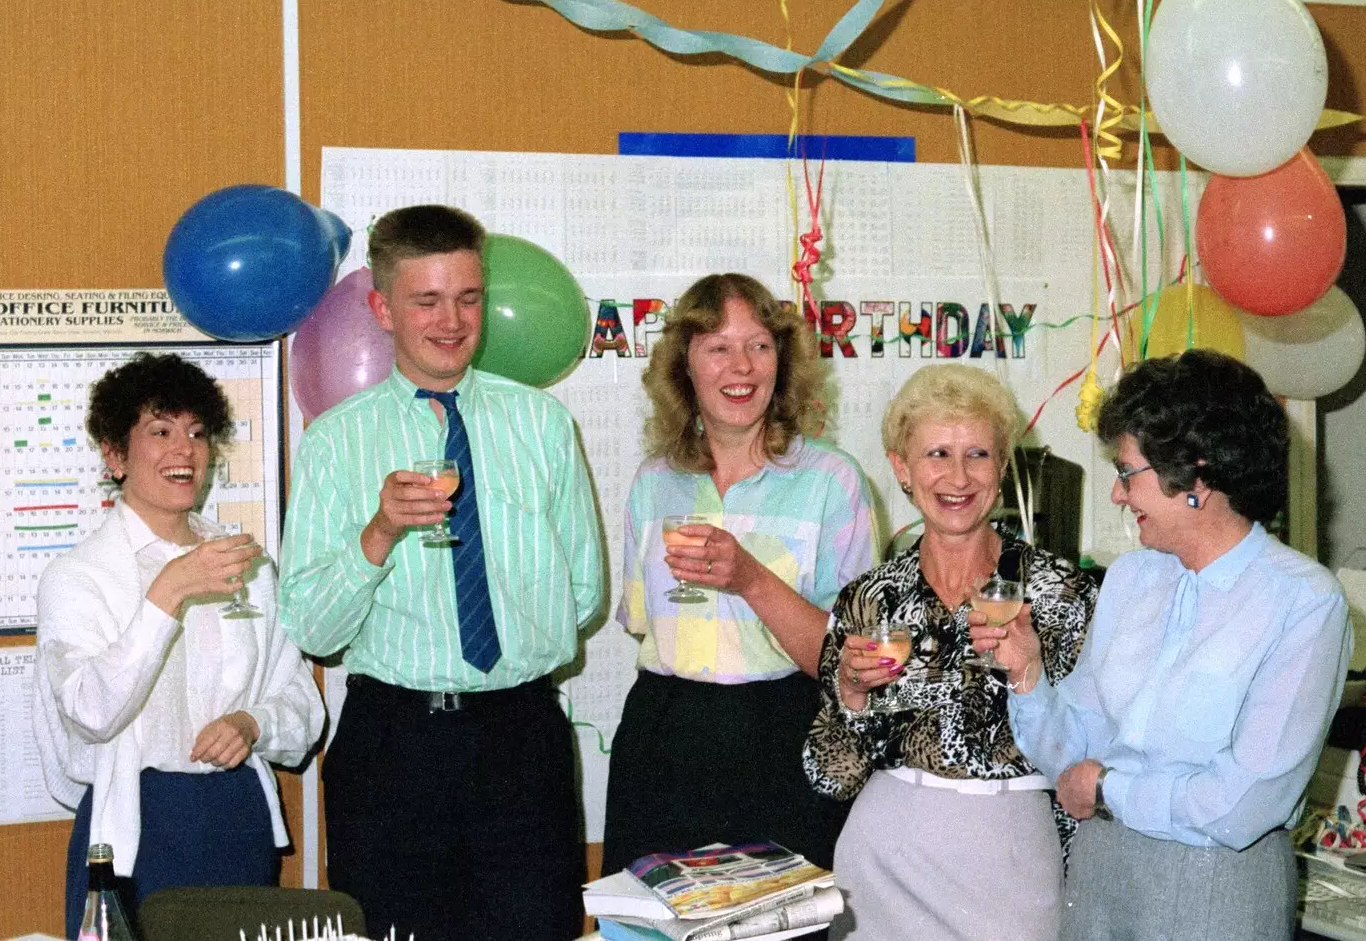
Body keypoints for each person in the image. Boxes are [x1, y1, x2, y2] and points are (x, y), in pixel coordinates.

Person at [278, 205, 603, 941]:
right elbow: (310, 628)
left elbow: (582, 594)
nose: (451, 320)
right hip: (394, 748)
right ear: (381, 309)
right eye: (426, 300)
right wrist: (380, 531)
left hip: (523, 739)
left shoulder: (543, 424)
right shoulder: (336, 442)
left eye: (468, 297)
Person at [980, 349, 1352, 941]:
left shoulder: (1304, 602)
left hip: (1219, 891)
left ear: (1194, 474)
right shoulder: (1131, 579)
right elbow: (1074, 749)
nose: (1118, 496)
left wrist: (1108, 788)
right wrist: (1028, 675)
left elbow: (1244, 804)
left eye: (1128, 473)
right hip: (1102, 880)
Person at [32, 353, 324, 938]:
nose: (184, 450)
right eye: (159, 432)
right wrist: (167, 595)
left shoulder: (244, 560)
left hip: (234, 814)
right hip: (134, 821)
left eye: (196, 433)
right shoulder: (78, 576)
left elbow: (302, 704)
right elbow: (91, 713)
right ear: (115, 456)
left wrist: (253, 723)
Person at [803, 363, 1097, 941]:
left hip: (1011, 864)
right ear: (901, 468)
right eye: (937, 453)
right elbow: (828, 777)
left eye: (978, 455)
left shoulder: (1061, 593)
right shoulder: (871, 598)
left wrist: (1031, 671)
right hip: (882, 861)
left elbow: (1091, 757)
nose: (958, 477)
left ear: (1003, 464)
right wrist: (852, 696)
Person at [601, 273, 877, 879]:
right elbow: (641, 624)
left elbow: (851, 660)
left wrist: (750, 579)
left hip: (784, 731)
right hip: (664, 729)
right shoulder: (654, 480)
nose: (742, 366)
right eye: (717, 347)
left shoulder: (832, 480)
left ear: (783, 362)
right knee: (655, 920)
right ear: (685, 366)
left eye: (759, 345)